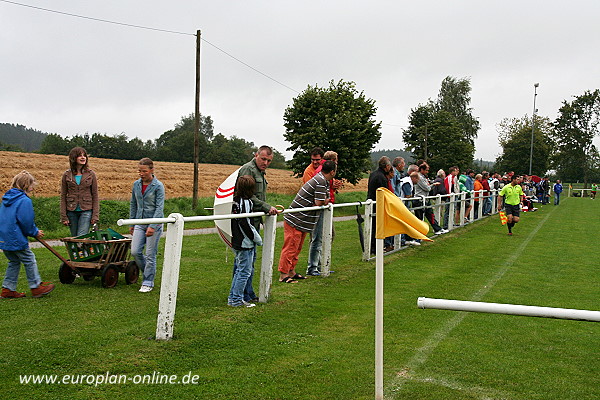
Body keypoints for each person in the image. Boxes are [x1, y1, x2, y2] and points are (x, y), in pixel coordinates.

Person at [278, 160, 337, 283]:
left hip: (303, 221)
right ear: (332, 171)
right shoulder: (321, 181)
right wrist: (325, 201)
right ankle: (283, 275)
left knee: (297, 247)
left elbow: (324, 197)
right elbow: (319, 202)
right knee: (290, 247)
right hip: (296, 219)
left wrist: (325, 199)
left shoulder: (323, 180)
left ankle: (291, 271)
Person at [0, 171, 55, 298]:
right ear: (26, 185)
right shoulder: (24, 200)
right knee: (29, 260)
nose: (33, 187)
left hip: (4, 237)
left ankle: (8, 289)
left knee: (13, 261)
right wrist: (34, 232)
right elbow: (26, 220)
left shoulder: (7, 199)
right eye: (31, 184)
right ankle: (36, 286)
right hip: (15, 237)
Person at [130, 158, 165, 293]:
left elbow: (159, 207)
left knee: (150, 254)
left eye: (144, 171)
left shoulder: (158, 186)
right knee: (135, 251)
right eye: (139, 171)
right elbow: (133, 204)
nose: (141, 173)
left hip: (154, 223)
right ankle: (148, 272)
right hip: (139, 222)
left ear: (151, 170)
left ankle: (148, 281)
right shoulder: (136, 185)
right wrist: (132, 222)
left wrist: (153, 225)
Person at [228, 175, 263, 308]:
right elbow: (245, 223)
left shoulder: (234, 200)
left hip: (235, 240)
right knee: (244, 271)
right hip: (244, 242)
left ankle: (232, 298)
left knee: (239, 270)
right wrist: (256, 238)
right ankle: (237, 300)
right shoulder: (246, 202)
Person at [306, 150, 342, 275]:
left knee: (326, 236)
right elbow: (318, 200)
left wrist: (334, 187)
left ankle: (321, 264)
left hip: (325, 207)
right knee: (318, 238)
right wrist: (326, 201)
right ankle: (314, 266)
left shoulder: (323, 176)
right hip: (318, 209)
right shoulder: (320, 176)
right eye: (336, 161)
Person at [60, 147, 99, 237]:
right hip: (71, 211)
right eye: (80, 156)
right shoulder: (66, 175)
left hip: (86, 211)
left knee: (81, 237)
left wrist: (95, 216)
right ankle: (78, 251)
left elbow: (95, 195)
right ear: (74, 158)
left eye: (84, 155)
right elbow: (63, 196)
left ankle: (82, 250)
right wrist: (63, 216)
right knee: (74, 237)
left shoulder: (91, 174)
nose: (83, 158)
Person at [367, 157, 392, 254]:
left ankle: (372, 246)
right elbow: (384, 193)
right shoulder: (382, 177)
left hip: (371, 201)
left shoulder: (373, 174)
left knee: (373, 226)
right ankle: (375, 247)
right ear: (386, 166)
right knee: (377, 226)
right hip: (377, 204)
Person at [413, 163, 446, 235]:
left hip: (425, 200)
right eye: (426, 170)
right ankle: (418, 234)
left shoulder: (423, 177)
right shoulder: (419, 178)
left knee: (431, 215)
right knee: (419, 218)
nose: (427, 172)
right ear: (422, 169)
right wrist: (434, 185)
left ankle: (437, 229)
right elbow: (427, 188)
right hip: (420, 200)